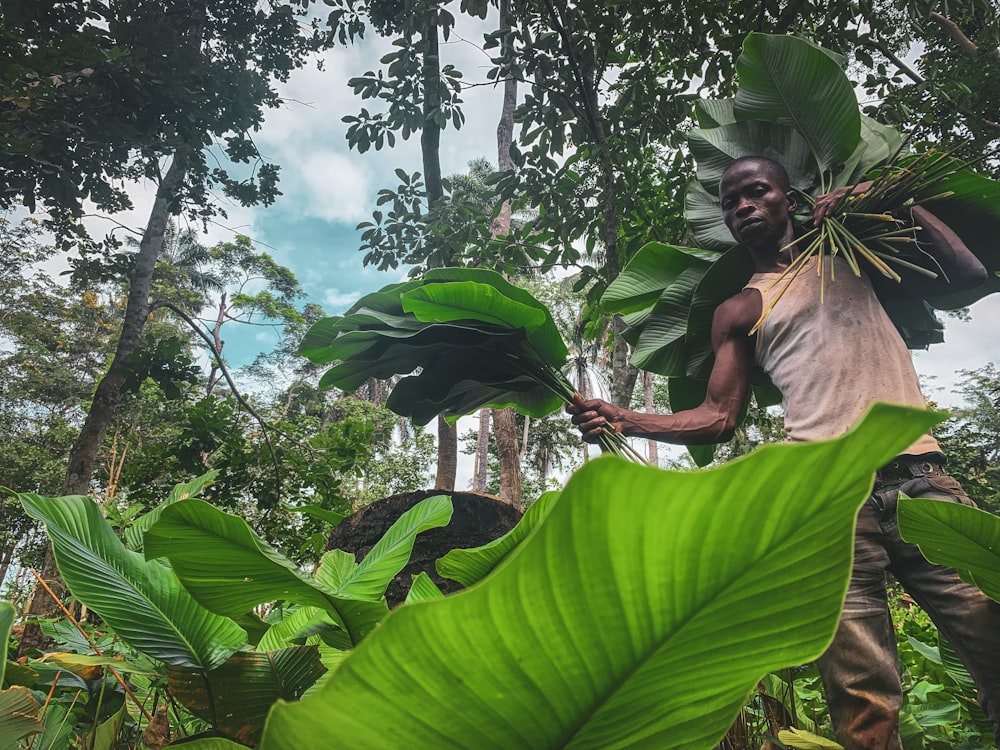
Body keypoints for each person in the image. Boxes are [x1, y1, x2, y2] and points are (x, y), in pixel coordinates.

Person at [568, 156, 1000, 750]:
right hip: (828, 508)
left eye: (757, 192)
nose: (743, 206)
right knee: (863, 701)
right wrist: (624, 417)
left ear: (788, 200)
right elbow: (719, 418)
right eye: (730, 202)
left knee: (993, 640)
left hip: (922, 479)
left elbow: (969, 274)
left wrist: (893, 201)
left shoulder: (851, 252)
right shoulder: (739, 309)